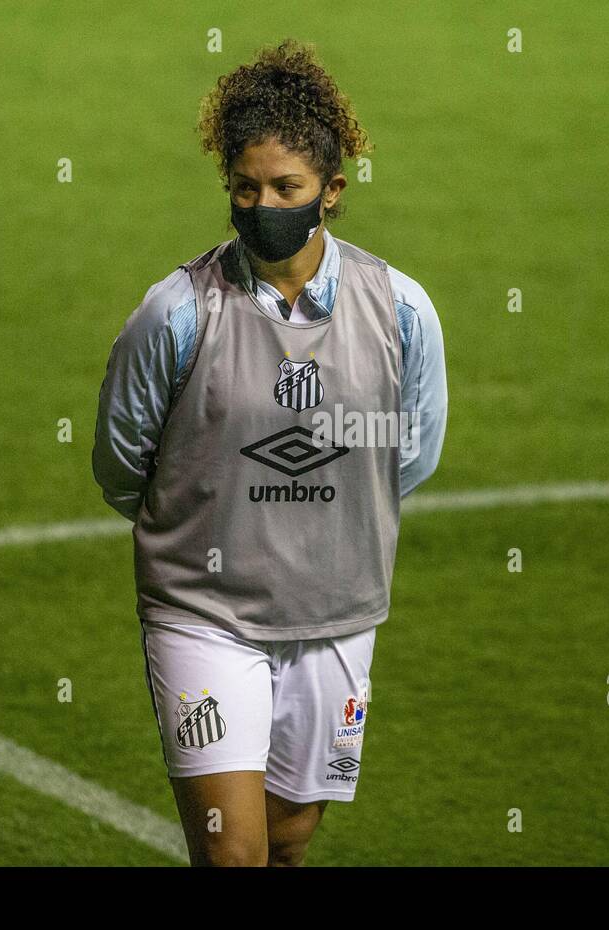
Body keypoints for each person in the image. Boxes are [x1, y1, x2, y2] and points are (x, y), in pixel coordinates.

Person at [92, 38, 447, 866]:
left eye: (286, 188)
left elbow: (413, 452)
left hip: (336, 611)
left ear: (333, 191)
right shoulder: (176, 314)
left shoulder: (399, 309)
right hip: (205, 615)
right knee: (233, 852)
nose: (263, 206)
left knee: (288, 839)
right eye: (245, 188)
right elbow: (121, 465)